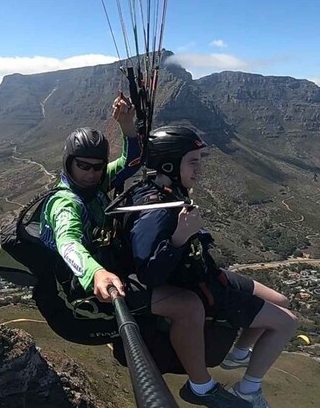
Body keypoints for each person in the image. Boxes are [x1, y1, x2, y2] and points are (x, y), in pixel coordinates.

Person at [127, 126, 297, 408]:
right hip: (204, 289)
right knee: (286, 322)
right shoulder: (156, 212)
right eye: (193, 161)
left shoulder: (167, 192)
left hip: (208, 276)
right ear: (169, 164)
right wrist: (180, 238)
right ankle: (248, 390)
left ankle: (239, 354)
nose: (200, 169)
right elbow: (149, 274)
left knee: (280, 300)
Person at [38, 95, 144, 310]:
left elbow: (131, 163)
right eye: (83, 166)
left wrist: (126, 124)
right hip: (81, 287)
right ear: (69, 163)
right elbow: (68, 242)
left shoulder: (96, 183)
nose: (91, 174)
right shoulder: (65, 203)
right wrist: (95, 272)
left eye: (98, 167)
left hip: (104, 268)